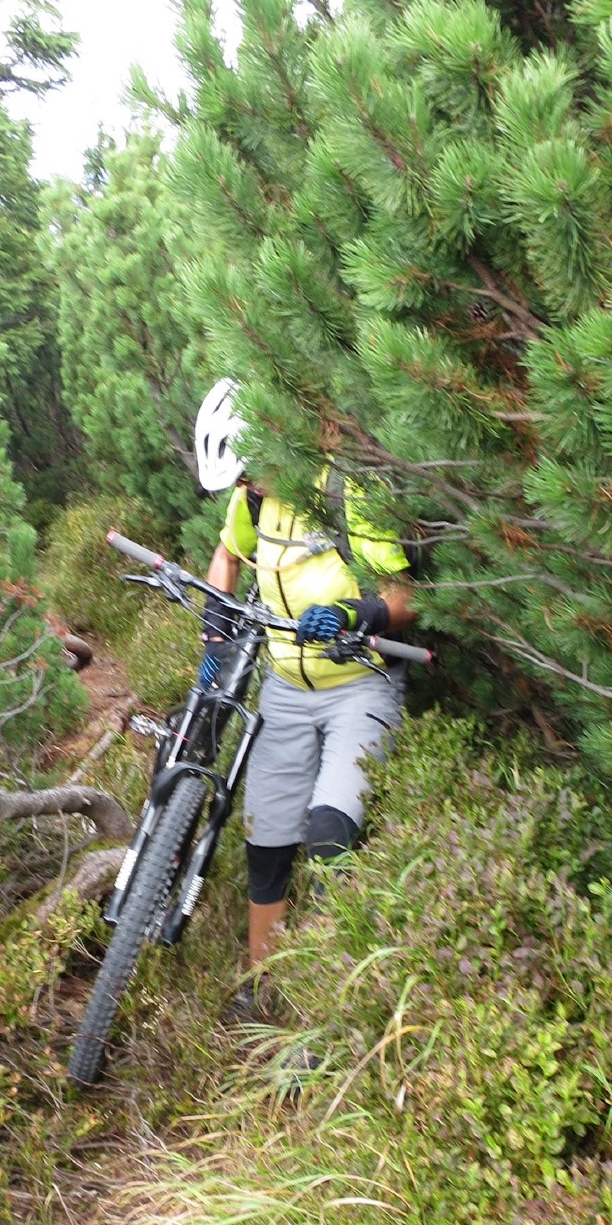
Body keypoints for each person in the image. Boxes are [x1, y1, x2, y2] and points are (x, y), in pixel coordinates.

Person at [193, 377, 417, 995]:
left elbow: (407, 598)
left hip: (361, 685)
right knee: (266, 845)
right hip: (286, 689)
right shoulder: (253, 501)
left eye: (250, 472)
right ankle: (263, 986)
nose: (247, 487)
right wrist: (215, 628)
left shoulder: (347, 490)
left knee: (327, 835)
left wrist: (354, 614)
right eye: (240, 480)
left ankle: (341, 993)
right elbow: (227, 555)